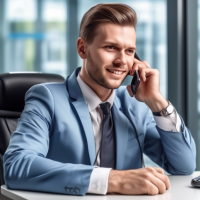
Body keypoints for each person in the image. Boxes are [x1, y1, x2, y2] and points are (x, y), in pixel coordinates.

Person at [3, 3, 196, 196]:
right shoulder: (47, 98)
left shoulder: (134, 105)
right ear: (82, 49)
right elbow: (18, 165)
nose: (122, 60)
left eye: (129, 51)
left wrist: (157, 102)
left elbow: (183, 166)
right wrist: (111, 179)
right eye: (111, 47)